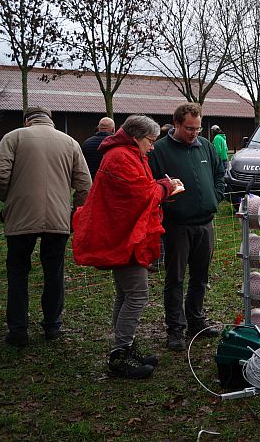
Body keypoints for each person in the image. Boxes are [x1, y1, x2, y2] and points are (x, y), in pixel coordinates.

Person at [73, 115, 184, 379]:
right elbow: (140, 194)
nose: (153, 147)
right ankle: (120, 353)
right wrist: (166, 187)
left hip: (125, 233)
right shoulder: (121, 157)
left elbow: (142, 188)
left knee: (125, 294)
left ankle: (125, 346)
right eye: (150, 141)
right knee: (137, 294)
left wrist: (160, 188)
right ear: (136, 137)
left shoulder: (128, 154)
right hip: (123, 236)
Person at [0, 107, 91, 347]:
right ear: (50, 120)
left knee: (17, 271)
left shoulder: (13, 137)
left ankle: (18, 329)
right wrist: (74, 211)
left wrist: (9, 199)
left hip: (21, 217)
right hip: (58, 218)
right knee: (54, 272)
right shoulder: (70, 142)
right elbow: (85, 184)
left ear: (27, 120)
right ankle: (52, 325)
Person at [148, 103, 225, 351]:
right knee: (175, 278)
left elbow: (219, 173)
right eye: (189, 128)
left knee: (200, 277)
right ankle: (175, 328)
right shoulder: (159, 150)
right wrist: (168, 203)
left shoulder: (206, 146)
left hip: (205, 223)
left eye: (198, 128)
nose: (194, 133)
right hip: (177, 226)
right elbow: (151, 184)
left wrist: (216, 196)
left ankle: (196, 321)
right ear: (177, 124)